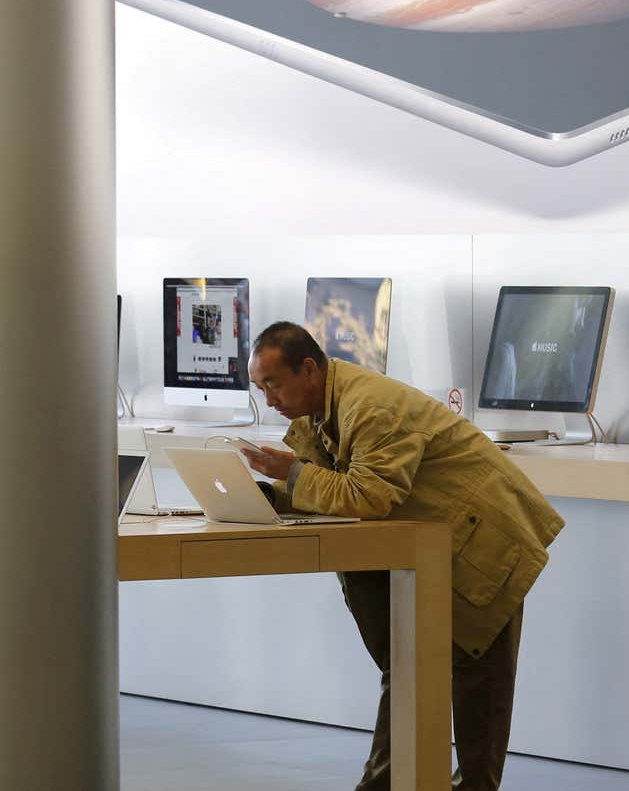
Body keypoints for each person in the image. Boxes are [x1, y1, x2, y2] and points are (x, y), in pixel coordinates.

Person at [240, 321, 565, 791]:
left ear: (308, 369)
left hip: (489, 540)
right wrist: (273, 494)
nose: (269, 399)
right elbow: (335, 487)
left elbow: (367, 495)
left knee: (478, 690)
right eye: (260, 387)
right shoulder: (322, 410)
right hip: (440, 545)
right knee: (411, 670)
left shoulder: (371, 407)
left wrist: (292, 475)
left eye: (273, 384)